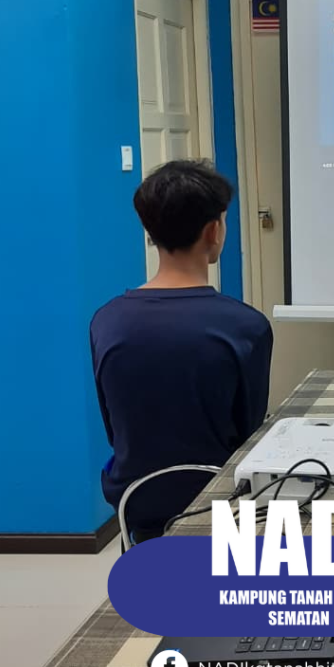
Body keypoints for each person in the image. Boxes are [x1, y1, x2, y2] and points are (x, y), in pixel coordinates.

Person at [90, 160, 273, 542]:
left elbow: (117, 428)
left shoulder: (106, 321)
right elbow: (248, 434)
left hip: (136, 503)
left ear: (150, 231)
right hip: (220, 502)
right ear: (213, 231)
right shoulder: (246, 326)